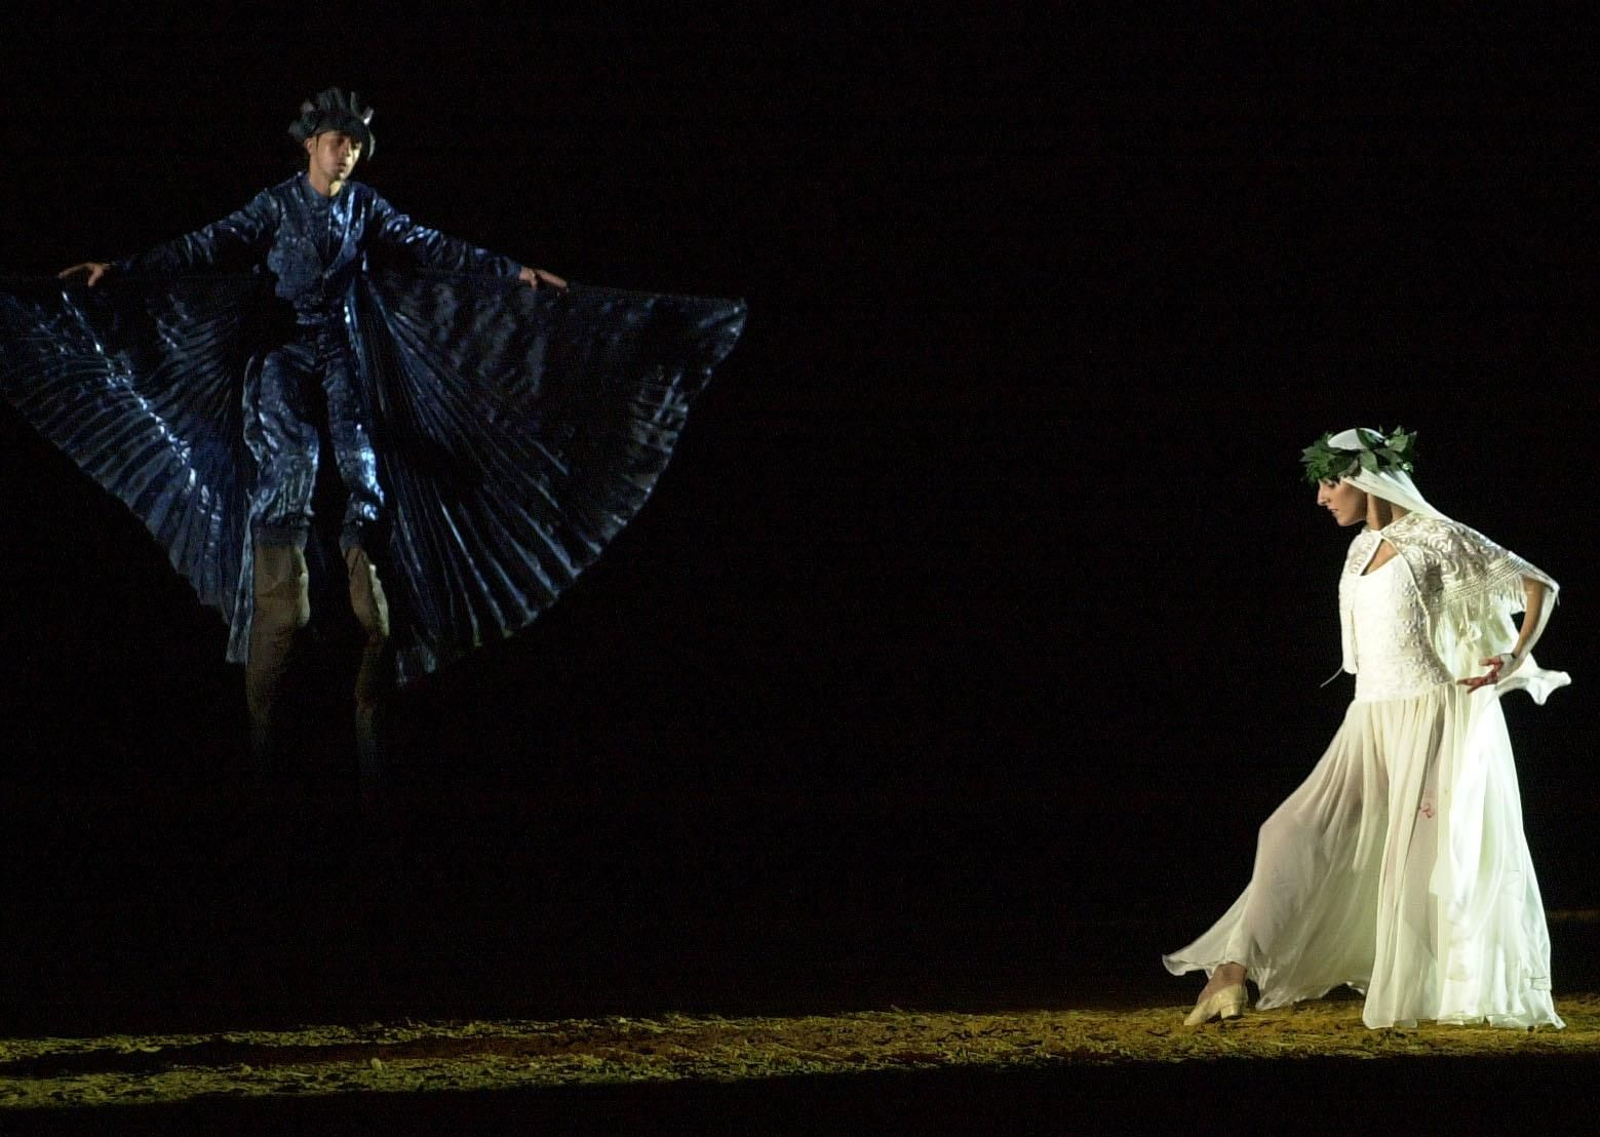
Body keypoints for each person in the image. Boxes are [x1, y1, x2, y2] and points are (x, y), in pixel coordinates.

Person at [2, 88, 745, 804]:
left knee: (366, 507)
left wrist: (512, 271)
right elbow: (204, 245)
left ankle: (370, 731)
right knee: (289, 493)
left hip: (343, 360)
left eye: (356, 145)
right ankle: (265, 718)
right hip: (283, 359)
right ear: (310, 144)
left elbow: (431, 246)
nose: (348, 154)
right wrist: (121, 271)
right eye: (338, 142)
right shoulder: (276, 206)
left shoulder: (364, 207)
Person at [1163, 427, 1568, 1030]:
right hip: (1371, 714)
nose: (1322, 497)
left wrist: (1512, 657)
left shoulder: (1437, 537)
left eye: (1330, 483)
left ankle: (1414, 989)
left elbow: (1540, 586)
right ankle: (1231, 972)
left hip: (1431, 715)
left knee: (1417, 861)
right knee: (1288, 832)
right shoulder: (1359, 549)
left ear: (1364, 478)